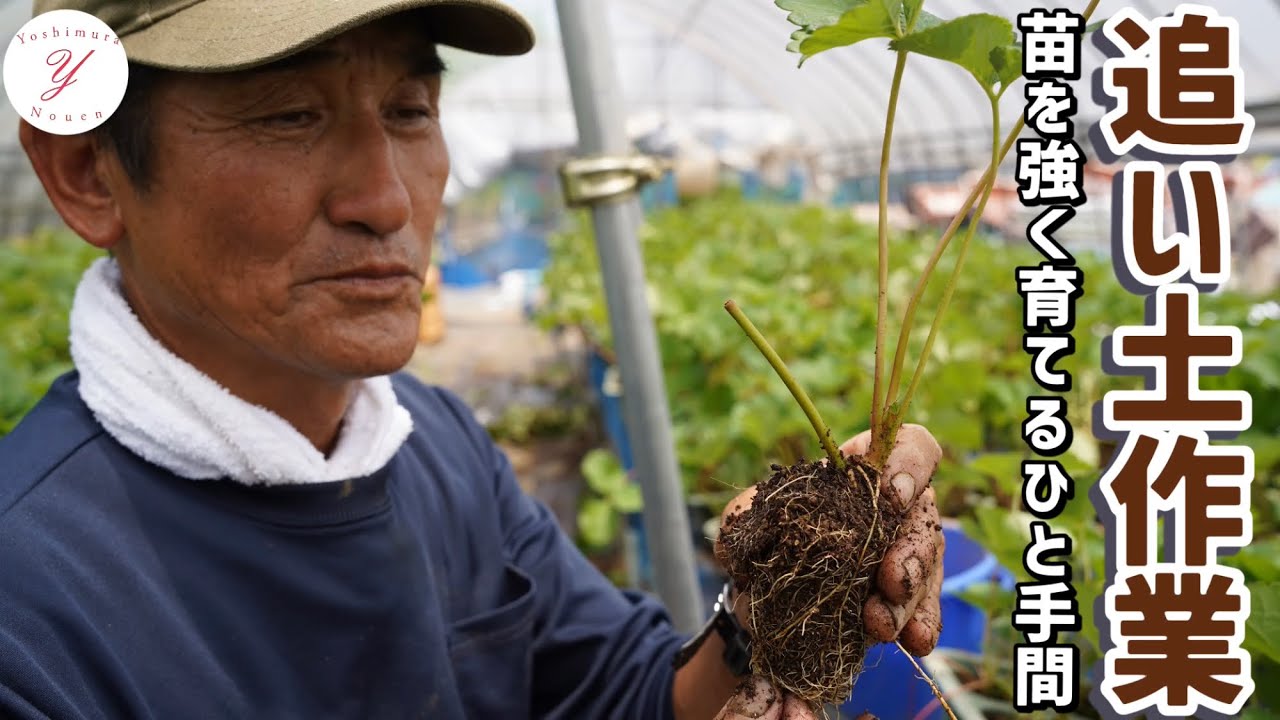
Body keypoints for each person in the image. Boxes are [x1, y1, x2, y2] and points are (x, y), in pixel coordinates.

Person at [0, 1, 946, 718]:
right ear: (88, 174)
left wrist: (766, 613)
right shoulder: (32, 614)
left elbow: (625, 693)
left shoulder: (434, 444)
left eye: (411, 108)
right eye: (288, 115)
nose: (386, 196)